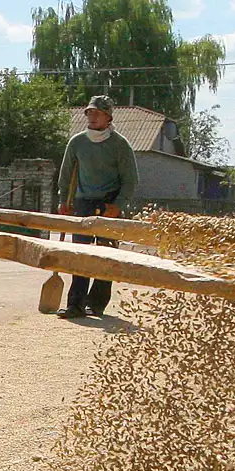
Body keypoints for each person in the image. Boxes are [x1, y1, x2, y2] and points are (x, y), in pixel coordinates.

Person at [54, 95, 137, 319]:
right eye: (90, 113)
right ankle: (75, 304)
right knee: (80, 255)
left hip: (109, 202)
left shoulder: (120, 145)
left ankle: (96, 304)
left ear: (108, 117)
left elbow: (130, 180)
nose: (92, 117)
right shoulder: (77, 142)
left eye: (97, 113)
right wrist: (64, 200)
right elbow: (66, 174)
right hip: (82, 202)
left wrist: (118, 206)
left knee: (104, 256)